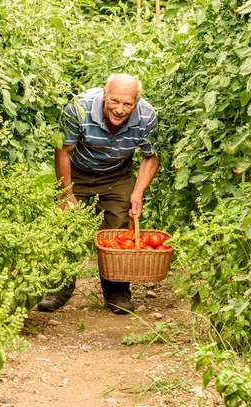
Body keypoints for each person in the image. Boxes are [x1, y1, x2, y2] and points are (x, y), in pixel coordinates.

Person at [37, 73, 159, 314]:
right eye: (114, 101)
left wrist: (138, 192)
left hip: (118, 175)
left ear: (137, 102)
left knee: (118, 228)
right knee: (66, 226)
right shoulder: (78, 108)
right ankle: (57, 289)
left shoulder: (147, 116)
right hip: (78, 172)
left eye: (128, 104)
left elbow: (150, 157)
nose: (120, 110)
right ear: (104, 94)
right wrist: (66, 193)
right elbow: (63, 151)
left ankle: (117, 291)